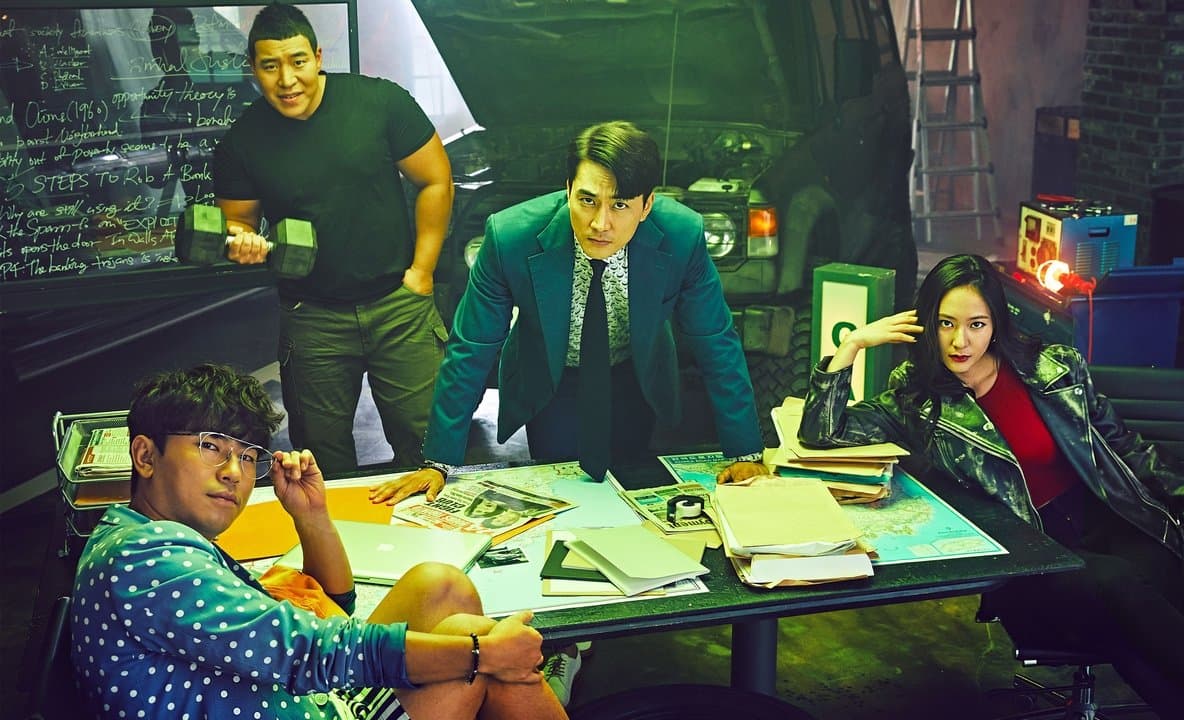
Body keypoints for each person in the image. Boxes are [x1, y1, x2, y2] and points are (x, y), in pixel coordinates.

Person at [796, 253, 1184, 720]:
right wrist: (851, 346)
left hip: (1097, 520)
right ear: (926, 324)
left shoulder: (1053, 368)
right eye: (945, 323)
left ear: (996, 324)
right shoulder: (915, 397)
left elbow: (1124, 444)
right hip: (1027, 550)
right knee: (1119, 587)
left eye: (976, 324)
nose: (960, 341)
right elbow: (821, 433)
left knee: (1152, 564)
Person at [70, 363, 566, 720]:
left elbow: (331, 608)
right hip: (309, 699)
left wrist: (311, 516)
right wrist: (482, 654)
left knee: (441, 586)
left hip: (309, 699)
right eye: (210, 447)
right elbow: (310, 652)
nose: (233, 472)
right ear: (145, 456)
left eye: (247, 456)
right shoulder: (148, 560)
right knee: (478, 654)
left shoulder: (140, 536)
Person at [370, 120, 768, 505]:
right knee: (561, 487)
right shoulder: (510, 238)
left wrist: (746, 452)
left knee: (633, 484)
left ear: (647, 205)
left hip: (638, 371)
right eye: (587, 200)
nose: (600, 223)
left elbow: (716, 341)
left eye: (620, 205)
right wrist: (438, 462)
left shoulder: (682, 236)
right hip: (550, 376)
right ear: (568, 190)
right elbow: (471, 348)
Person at [213, 2, 452, 473]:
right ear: (253, 69)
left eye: (298, 61)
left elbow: (436, 180)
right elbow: (236, 224)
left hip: (398, 307)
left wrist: (421, 272)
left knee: (429, 449)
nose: (287, 80)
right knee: (320, 461)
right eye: (270, 66)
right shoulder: (242, 142)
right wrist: (242, 241)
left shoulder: (380, 102)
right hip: (312, 317)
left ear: (318, 57)